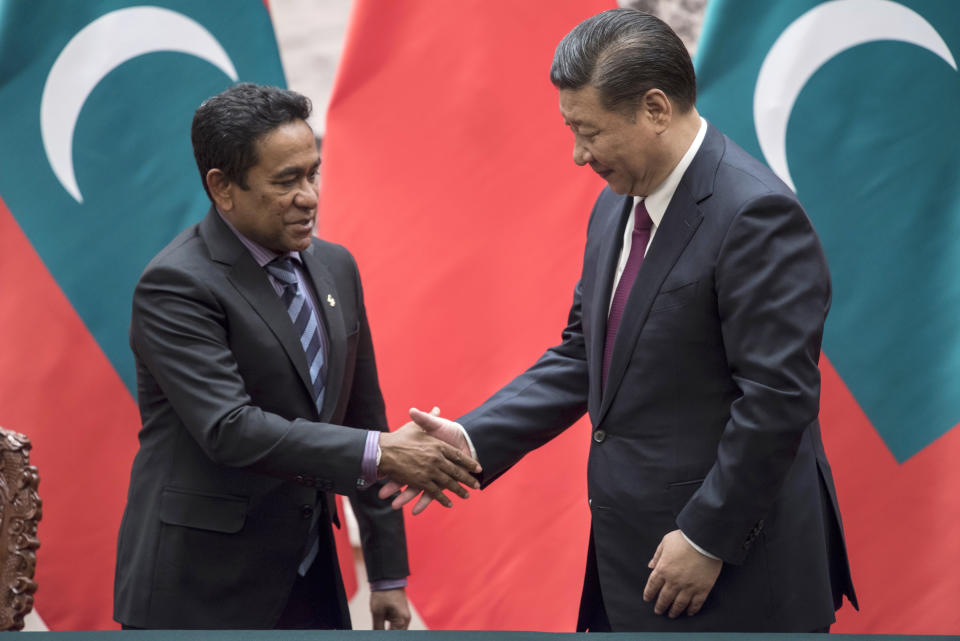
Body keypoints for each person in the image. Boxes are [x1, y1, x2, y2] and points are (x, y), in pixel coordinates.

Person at [384, 8, 857, 633]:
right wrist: (471, 438)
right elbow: (586, 353)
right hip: (633, 561)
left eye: (590, 131)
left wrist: (707, 535)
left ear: (656, 109)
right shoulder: (617, 207)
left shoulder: (756, 215)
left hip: (728, 568)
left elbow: (776, 402)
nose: (578, 155)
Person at [113, 83, 480, 630]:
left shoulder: (336, 267)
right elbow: (230, 428)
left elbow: (363, 417)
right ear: (223, 188)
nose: (309, 196)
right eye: (286, 181)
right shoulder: (176, 285)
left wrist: (386, 576)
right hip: (201, 590)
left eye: (313, 173)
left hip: (310, 582)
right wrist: (381, 453)